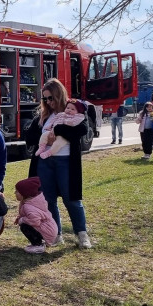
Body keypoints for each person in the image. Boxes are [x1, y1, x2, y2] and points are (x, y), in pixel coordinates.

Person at [35, 79, 92, 249]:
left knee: (71, 199)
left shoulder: (75, 110)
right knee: (48, 199)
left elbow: (82, 130)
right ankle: (55, 234)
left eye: (50, 98)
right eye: (44, 99)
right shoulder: (45, 114)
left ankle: (82, 234)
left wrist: (57, 131)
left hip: (66, 161)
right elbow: (30, 135)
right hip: (45, 161)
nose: (48, 102)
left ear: (59, 95)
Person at [13, 176, 59, 254]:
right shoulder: (33, 201)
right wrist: (20, 217)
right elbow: (31, 216)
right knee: (25, 224)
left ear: (25, 194)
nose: (15, 193)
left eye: (17, 191)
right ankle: (39, 242)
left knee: (24, 226)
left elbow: (35, 221)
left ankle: (38, 245)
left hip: (48, 232)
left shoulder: (28, 207)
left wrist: (22, 220)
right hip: (49, 230)